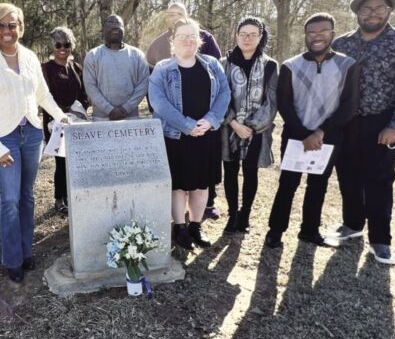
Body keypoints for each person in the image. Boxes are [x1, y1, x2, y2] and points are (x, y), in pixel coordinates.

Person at [0, 3, 68, 282]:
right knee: (9, 199)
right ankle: (12, 259)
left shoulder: (30, 57)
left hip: (31, 134)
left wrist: (62, 117)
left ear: (21, 27)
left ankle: (26, 251)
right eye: (1, 25)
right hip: (1, 138)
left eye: (12, 25)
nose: (7, 30)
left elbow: (42, 94)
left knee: (27, 196)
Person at [331, 0, 395, 265]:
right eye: (366, 9)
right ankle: (352, 225)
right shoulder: (342, 44)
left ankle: (381, 239)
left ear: (389, 11)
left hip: (382, 121)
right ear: (358, 12)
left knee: (379, 181)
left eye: (379, 8)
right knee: (347, 175)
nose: (372, 14)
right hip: (346, 122)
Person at [265, 13, 360, 249]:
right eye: (311, 32)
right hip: (296, 135)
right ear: (305, 35)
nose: (317, 37)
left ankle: (309, 231)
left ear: (332, 34)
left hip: (330, 136)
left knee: (318, 185)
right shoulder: (291, 65)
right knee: (288, 184)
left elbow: (350, 104)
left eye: (323, 31)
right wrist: (304, 134)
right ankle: (275, 232)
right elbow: (284, 104)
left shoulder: (348, 65)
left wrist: (320, 132)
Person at [148, 18, 230, 251]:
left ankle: (196, 226)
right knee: (178, 186)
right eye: (182, 36)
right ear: (173, 41)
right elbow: (158, 103)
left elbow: (224, 93)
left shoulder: (212, 64)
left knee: (201, 185)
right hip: (175, 137)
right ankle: (180, 228)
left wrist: (211, 120)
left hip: (206, 134)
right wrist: (187, 125)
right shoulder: (162, 69)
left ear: (199, 40)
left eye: (192, 36)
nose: (188, 40)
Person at [220, 17, 278, 234]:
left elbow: (271, 102)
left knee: (250, 172)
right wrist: (234, 123)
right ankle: (232, 214)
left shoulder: (270, 65)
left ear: (260, 37)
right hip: (229, 129)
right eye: (243, 34)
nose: (247, 38)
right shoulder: (223, 64)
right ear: (236, 35)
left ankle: (245, 215)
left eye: (253, 34)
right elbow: (218, 97)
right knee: (231, 172)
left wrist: (251, 127)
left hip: (257, 132)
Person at [40, 26, 89, 214]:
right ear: (52, 46)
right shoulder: (46, 69)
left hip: (77, 121)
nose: (62, 48)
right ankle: (59, 199)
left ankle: (72, 196)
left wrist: (80, 110)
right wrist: (61, 115)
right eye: (58, 44)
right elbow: (44, 97)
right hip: (56, 123)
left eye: (66, 44)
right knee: (62, 162)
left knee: (74, 160)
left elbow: (84, 94)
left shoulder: (76, 67)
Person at [83, 14, 150, 121]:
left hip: (131, 118)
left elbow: (143, 84)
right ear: (103, 30)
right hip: (101, 119)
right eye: (110, 23)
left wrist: (125, 109)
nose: (115, 26)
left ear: (124, 30)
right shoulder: (92, 56)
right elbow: (90, 86)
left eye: (118, 23)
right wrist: (109, 109)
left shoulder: (137, 55)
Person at [144, 2, 222, 67]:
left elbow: (217, 68)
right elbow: (149, 76)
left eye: (180, 14)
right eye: (171, 15)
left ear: (187, 17)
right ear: (167, 19)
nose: (175, 17)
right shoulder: (157, 45)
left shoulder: (206, 38)